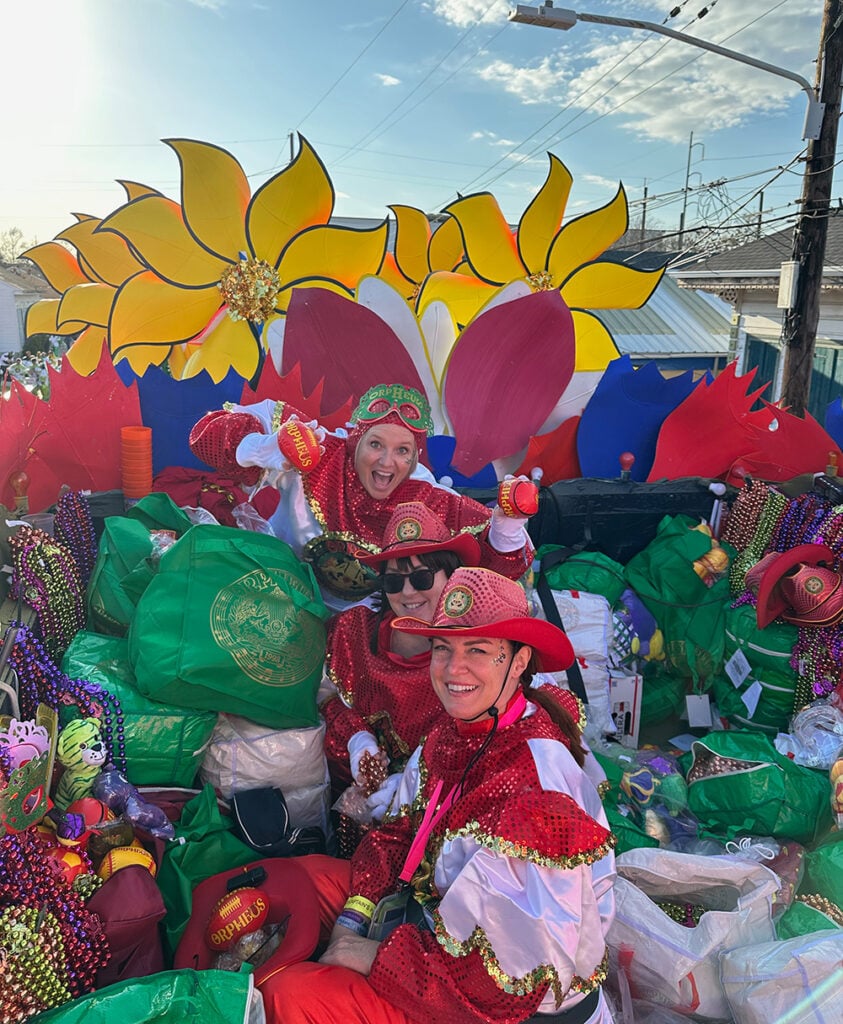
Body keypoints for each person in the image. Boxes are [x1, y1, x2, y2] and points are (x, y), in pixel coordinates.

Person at [265, 567, 616, 1024]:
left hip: (495, 1004)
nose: (453, 669)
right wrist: (356, 915)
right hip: (431, 923)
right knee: (300, 882)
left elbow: (508, 986)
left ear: (519, 661)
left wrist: (373, 955)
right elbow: (401, 830)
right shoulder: (454, 733)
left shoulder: (536, 789)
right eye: (442, 648)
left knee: (291, 995)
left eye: (477, 650)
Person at [189, 383, 534, 608]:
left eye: (402, 451)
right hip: (276, 597)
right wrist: (267, 447)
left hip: (360, 631)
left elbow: (500, 564)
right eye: (375, 445)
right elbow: (206, 436)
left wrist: (507, 524)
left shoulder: (427, 497)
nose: (386, 462)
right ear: (355, 440)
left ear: (415, 458)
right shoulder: (318, 451)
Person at [321, 501, 481, 806]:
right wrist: (357, 739)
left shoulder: (477, 652)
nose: (407, 592)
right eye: (394, 581)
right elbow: (324, 697)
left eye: (422, 578)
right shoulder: (351, 631)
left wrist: (416, 783)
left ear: (453, 577)